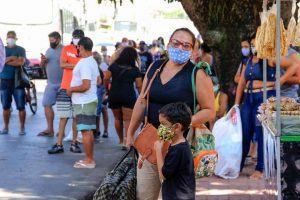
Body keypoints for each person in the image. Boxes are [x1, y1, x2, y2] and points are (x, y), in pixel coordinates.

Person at [126, 28, 215, 200]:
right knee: (144, 194)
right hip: (149, 142)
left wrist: (182, 124)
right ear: (168, 44)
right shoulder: (155, 67)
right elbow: (142, 101)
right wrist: (130, 132)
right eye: (176, 43)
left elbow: (210, 111)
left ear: (193, 50)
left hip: (178, 146)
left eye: (186, 45)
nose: (180, 48)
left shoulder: (197, 74)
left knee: (173, 195)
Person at [235, 33, 298, 180]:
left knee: (261, 132)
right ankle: (238, 166)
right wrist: (236, 105)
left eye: (256, 44)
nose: (253, 47)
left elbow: (294, 65)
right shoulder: (249, 60)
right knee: (244, 132)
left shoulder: (269, 58)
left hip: (262, 99)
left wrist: (279, 81)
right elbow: (241, 83)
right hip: (248, 99)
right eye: (251, 44)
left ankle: (260, 169)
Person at [48, 29, 85, 154]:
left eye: (79, 37)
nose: (76, 38)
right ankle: (59, 144)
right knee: (63, 116)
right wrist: (78, 65)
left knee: (76, 117)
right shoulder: (67, 49)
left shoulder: (85, 51)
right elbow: (62, 65)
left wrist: (71, 64)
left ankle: (74, 143)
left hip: (79, 88)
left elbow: (70, 65)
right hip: (65, 86)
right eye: (75, 36)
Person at [67, 37, 100, 168]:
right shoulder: (91, 61)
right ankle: (89, 159)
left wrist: (71, 89)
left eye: (78, 47)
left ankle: (89, 160)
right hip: (88, 100)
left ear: (81, 47)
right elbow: (97, 81)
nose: (77, 49)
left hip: (83, 102)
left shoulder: (85, 63)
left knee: (86, 132)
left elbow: (86, 85)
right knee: (88, 131)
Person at [154, 102, 195, 200]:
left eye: (163, 124)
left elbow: (163, 176)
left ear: (177, 127)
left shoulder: (178, 150)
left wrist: (158, 151)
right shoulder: (180, 145)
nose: (160, 128)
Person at [104, 46, 142, 150]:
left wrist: (107, 90)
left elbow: (106, 78)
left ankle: (121, 140)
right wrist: (142, 97)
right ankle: (127, 140)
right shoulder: (135, 70)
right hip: (128, 94)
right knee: (127, 119)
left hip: (114, 93)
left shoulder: (113, 66)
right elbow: (139, 85)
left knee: (117, 118)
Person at [0, 31, 27, 135]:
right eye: (9, 37)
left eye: (12, 37)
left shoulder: (20, 49)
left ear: (16, 38)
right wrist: (12, 58)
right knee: (5, 106)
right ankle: (5, 127)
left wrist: (5, 61)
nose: (10, 39)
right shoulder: (2, 49)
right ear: (6, 38)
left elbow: (20, 62)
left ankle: (22, 128)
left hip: (18, 81)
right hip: (4, 81)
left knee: (21, 106)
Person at [38, 32, 63, 137]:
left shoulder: (64, 50)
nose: (51, 42)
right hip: (51, 83)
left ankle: (61, 131)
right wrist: (43, 61)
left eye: (52, 40)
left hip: (63, 83)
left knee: (63, 108)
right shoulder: (48, 50)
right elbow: (42, 65)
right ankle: (50, 129)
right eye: (50, 40)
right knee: (46, 104)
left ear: (58, 39)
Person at [92, 51, 106, 139]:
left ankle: (96, 130)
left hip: (98, 91)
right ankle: (97, 130)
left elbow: (101, 82)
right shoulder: (100, 68)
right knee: (98, 112)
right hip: (100, 91)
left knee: (97, 112)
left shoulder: (98, 69)